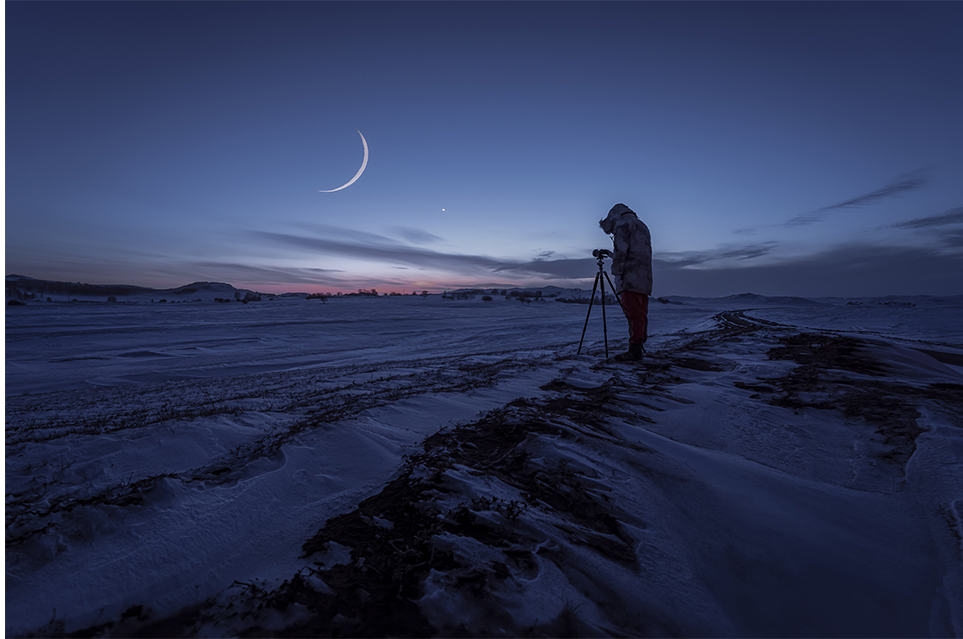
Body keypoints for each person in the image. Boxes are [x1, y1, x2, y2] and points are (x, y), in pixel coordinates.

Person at [599, 203, 652, 361]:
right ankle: (638, 344)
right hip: (644, 278)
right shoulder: (642, 226)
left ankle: (634, 350)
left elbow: (622, 252)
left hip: (629, 278)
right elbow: (633, 251)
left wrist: (617, 273)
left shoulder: (623, 225)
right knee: (640, 314)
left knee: (633, 313)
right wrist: (610, 253)